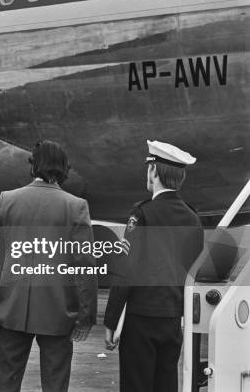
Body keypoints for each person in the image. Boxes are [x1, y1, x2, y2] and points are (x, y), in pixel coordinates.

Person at [0, 140, 98, 392]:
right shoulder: (76, 206)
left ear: (34, 166)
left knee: (6, 381)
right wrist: (86, 316)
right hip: (58, 312)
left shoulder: (7, 200)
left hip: (12, 308)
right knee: (55, 383)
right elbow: (84, 265)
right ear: (64, 169)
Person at [104, 140, 204, 392]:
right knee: (166, 384)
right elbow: (193, 273)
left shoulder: (142, 213)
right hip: (172, 320)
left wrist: (111, 320)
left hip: (141, 319)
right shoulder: (193, 218)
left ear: (154, 171)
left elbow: (126, 270)